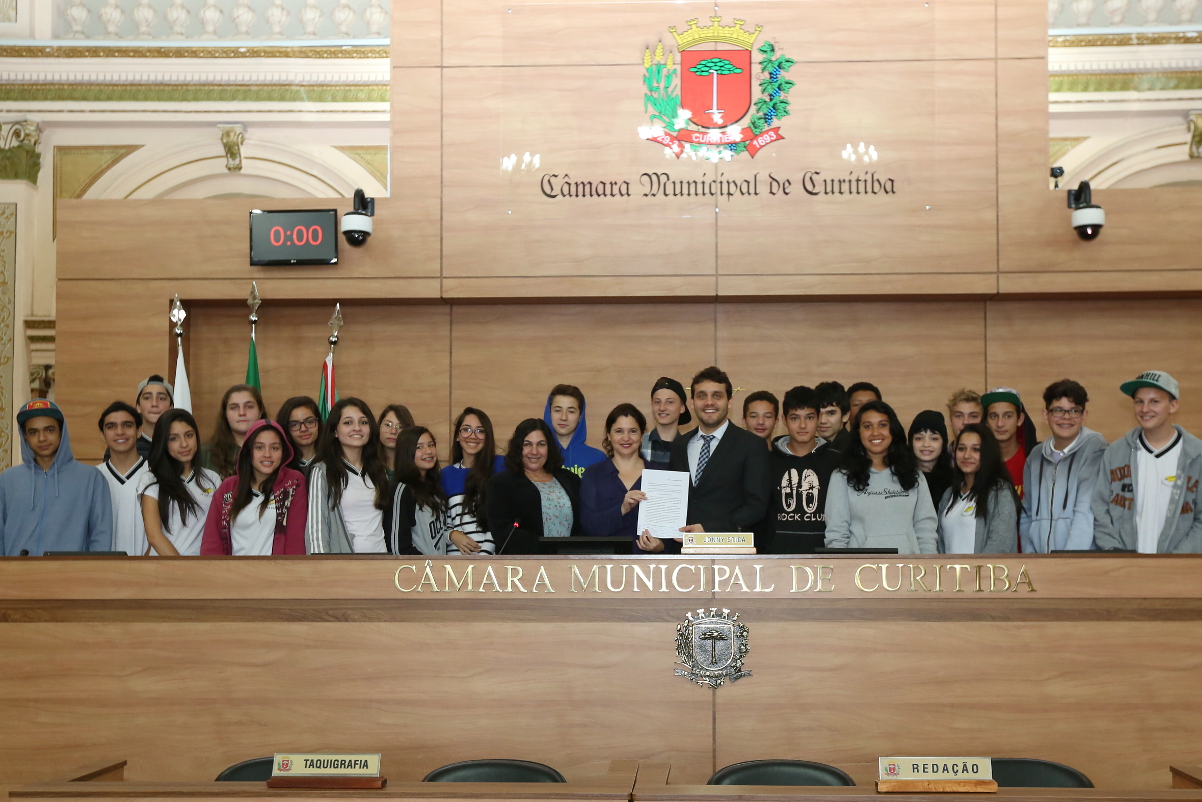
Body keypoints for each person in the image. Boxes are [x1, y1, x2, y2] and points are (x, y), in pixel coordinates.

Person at [1093, 371, 1202, 553]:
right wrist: (1114, 551)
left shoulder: (1196, 454)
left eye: (1155, 401)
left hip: (1180, 569)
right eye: (1139, 401)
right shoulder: (1116, 452)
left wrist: (1178, 559)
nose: (1145, 409)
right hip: (1123, 565)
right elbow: (1099, 506)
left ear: (1173, 405)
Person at [824, 400, 938, 554]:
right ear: (858, 432)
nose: (875, 432)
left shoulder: (914, 475)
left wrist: (929, 568)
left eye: (883, 425)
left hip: (909, 571)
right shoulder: (842, 477)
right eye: (867, 426)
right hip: (861, 572)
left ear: (893, 430)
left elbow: (926, 530)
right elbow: (836, 535)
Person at [0, 400, 112, 556]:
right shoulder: (8, 479)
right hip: (16, 576)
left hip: (70, 576)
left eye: (49, 430)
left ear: (61, 431)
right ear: (25, 436)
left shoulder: (90, 479)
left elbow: (101, 536)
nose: (42, 438)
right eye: (33, 432)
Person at [668, 366, 771, 534]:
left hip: (731, 551)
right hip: (683, 550)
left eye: (717, 396)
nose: (709, 402)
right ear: (692, 403)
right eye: (702, 396)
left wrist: (709, 529)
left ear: (729, 402)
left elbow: (757, 506)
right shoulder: (679, 445)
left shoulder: (752, 445)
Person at [1020, 379, 1108, 553]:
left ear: (1084, 416)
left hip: (1079, 562)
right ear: (1046, 415)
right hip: (1041, 563)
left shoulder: (1095, 449)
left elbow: (1086, 514)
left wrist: (1069, 562)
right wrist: (1031, 558)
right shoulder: (1035, 457)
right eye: (1058, 410)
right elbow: (1027, 514)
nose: (1066, 417)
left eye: (1074, 411)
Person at [201, 419, 306, 555]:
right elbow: (212, 542)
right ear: (248, 451)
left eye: (274, 448)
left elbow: (296, 540)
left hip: (277, 573)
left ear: (283, 452)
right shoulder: (228, 487)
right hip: (233, 573)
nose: (267, 454)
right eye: (259, 447)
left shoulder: (293, 482)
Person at [582, 403, 670, 554]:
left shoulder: (661, 475)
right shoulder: (593, 474)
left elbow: (673, 531)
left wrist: (661, 546)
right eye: (619, 431)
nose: (626, 438)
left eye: (633, 431)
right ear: (609, 435)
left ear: (642, 435)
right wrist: (622, 509)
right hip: (605, 567)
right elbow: (588, 526)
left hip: (651, 568)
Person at [306, 398, 391, 554]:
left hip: (380, 562)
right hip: (343, 565)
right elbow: (317, 529)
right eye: (348, 423)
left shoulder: (379, 471)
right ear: (335, 431)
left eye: (363, 422)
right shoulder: (323, 471)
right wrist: (320, 566)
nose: (357, 428)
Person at [486, 418, 583, 554]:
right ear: (518, 447)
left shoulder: (571, 480)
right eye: (527, 444)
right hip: (523, 567)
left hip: (569, 565)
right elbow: (502, 532)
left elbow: (581, 526)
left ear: (549, 447)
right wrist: (548, 551)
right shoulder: (500, 484)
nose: (534, 451)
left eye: (541, 444)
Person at [764, 386, 840, 554]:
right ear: (784, 419)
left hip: (825, 557)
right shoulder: (767, 461)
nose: (803, 425)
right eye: (795, 418)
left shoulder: (837, 461)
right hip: (776, 557)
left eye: (810, 417)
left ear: (819, 418)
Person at [139, 409, 220, 556]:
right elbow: (154, 536)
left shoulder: (212, 479)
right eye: (173, 439)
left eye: (189, 435)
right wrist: (182, 570)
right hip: (165, 569)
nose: (184, 444)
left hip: (202, 569)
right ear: (163, 442)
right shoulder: (151, 479)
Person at [389, 426, 477, 555]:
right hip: (417, 571)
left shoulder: (435, 489)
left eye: (431, 445)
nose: (428, 451)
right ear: (406, 452)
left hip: (436, 570)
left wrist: (450, 535)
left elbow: (437, 535)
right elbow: (398, 547)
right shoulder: (402, 489)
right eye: (419, 447)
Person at [937, 423, 1019, 554]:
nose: (967, 455)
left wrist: (978, 574)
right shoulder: (948, 495)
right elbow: (940, 544)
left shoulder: (1000, 492)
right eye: (961, 449)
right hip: (951, 573)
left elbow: (1000, 544)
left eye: (976, 450)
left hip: (985, 573)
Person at [442, 407, 506, 555]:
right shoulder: (445, 475)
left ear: (487, 436)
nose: (472, 436)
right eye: (466, 429)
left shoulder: (500, 467)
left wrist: (485, 556)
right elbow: (441, 524)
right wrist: (452, 535)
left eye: (480, 431)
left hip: (491, 561)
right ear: (457, 436)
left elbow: (501, 519)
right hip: (453, 562)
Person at [97, 401, 150, 557]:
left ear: (139, 430)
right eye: (111, 427)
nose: (120, 432)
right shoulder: (93, 478)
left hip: (149, 570)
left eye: (127, 425)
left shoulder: (156, 474)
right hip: (102, 571)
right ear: (102, 434)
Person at [201, 384, 266, 480]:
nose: (242, 413)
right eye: (234, 407)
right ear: (225, 414)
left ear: (260, 412)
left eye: (249, 406)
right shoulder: (205, 453)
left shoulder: (275, 451)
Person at [543, 384, 606, 477]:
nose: (563, 417)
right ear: (549, 413)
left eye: (571, 411)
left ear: (580, 416)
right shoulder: (536, 457)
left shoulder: (597, 459)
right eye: (557, 410)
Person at [982, 387, 1030, 500]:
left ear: (1020, 419)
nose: (1000, 423)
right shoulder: (977, 460)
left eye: (1008, 416)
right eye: (993, 416)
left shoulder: (1033, 459)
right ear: (986, 422)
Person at [641, 377, 691, 470]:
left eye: (669, 402)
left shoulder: (690, 448)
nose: (662, 407)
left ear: (682, 408)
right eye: (657, 402)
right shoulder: (638, 444)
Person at [909, 410, 954, 509]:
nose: (926, 444)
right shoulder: (900, 477)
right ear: (911, 442)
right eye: (919, 438)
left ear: (943, 443)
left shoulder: (954, 480)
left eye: (934, 438)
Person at [276, 396, 321, 476]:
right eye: (294, 425)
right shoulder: (280, 465)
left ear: (319, 423)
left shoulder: (332, 460)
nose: (303, 429)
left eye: (309, 422)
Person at [133, 375, 173, 457]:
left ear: (171, 407)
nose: (154, 404)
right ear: (138, 407)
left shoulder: (180, 446)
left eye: (161, 398)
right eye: (147, 398)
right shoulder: (127, 446)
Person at [815, 381, 853, 453]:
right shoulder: (817, 447)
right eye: (818, 413)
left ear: (845, 415)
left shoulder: (853, 450)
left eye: (831, 414)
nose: (822, 421)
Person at [378, 404, 414, 477]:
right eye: (388, 425)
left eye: (400, 427)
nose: (393, 431)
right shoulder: (367, 464)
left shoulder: (416, 467)